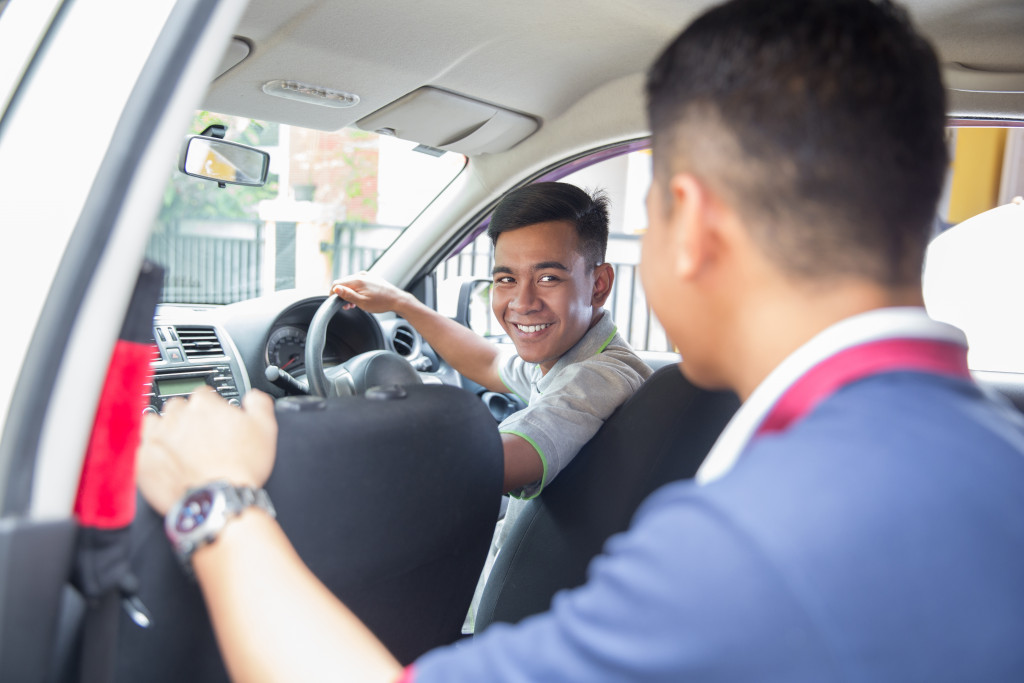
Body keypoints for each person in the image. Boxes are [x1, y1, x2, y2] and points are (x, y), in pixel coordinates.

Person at [137, 0, 1024, 680]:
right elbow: (493, 364)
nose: (523, 299)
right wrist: (408, 310)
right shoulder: (995, 446)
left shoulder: (754, 545)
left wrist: (213, 496)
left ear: (690, 219)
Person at [330, 181, 652, 499]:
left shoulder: (599, 378)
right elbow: (490, 361)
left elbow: (489, 465)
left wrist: (334, 445)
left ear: (599, 284)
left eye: (548, 278)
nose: (523, 302)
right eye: (507, 279)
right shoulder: (569, 358)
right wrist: (402, 302)